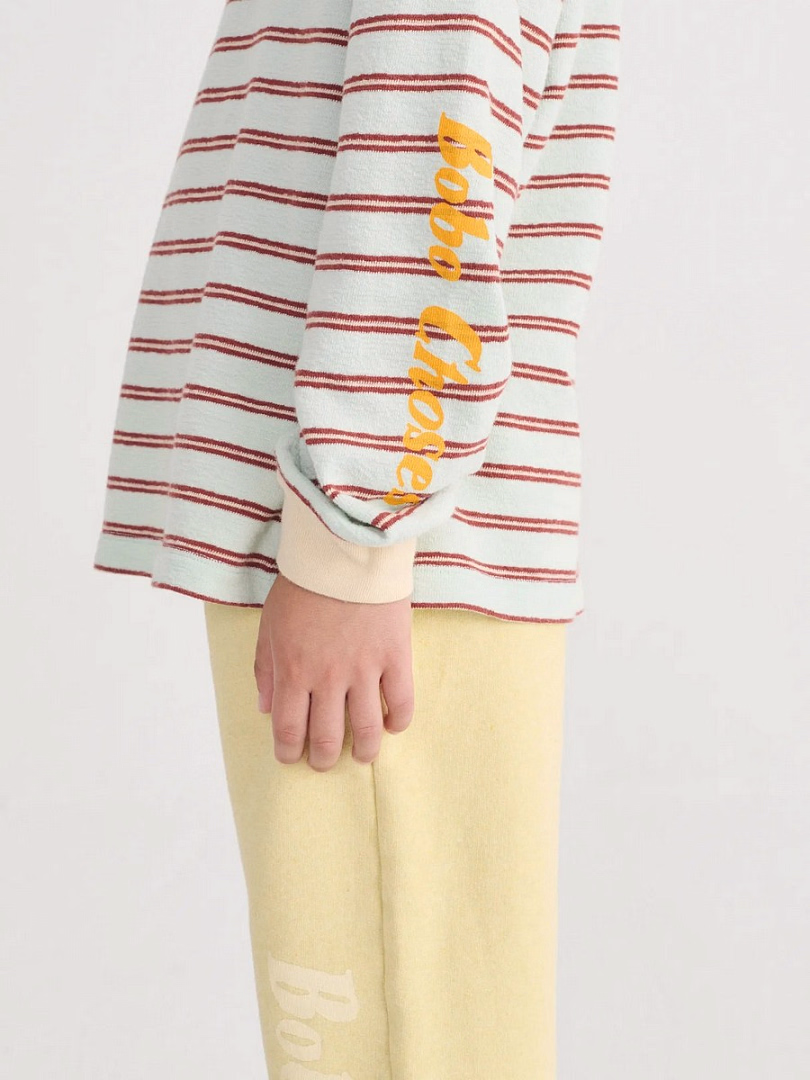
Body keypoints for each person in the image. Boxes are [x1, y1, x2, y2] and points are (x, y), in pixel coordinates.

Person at [94, 1, 623, 1075]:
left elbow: (432, 150)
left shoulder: (357, 544)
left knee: (395, 1046)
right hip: (367, 537)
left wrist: (354, 541)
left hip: (381, 556)